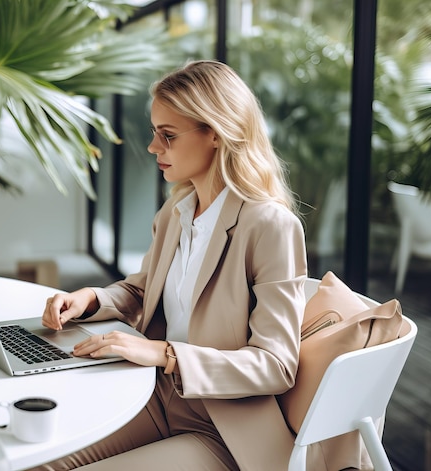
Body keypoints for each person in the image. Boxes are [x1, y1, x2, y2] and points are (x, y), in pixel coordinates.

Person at [37, 60, 314, 471]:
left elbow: (274, 366)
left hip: (220, 425)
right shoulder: (177, 211)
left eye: (168, 136)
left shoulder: (270, 226)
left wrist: (164, 353)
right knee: (36, 461)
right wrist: (91, 298)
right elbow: (142, 290)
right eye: (154, 133)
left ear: (216, 135)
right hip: (153, 395)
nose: (153, 148)